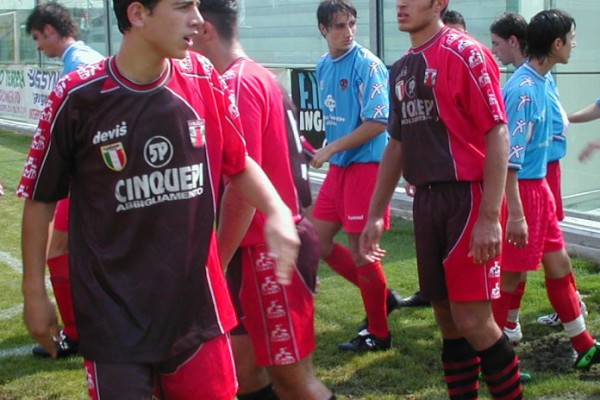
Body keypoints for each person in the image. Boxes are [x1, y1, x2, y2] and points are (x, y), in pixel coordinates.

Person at [18, 0, 301, 398]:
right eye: (183, 6)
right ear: (138, 15)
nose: (198, 19)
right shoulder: (77, 96)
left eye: (198, 6)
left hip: (197, 311)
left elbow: (239, 163)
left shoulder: (202, 76)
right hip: (113, 319)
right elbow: (40, 198)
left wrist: (277, 212)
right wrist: (35, 292)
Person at [362, 0, 524, 398]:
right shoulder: (400, 68)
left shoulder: (465, 52)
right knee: (447, 318)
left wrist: (490, 217)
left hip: (468, 198)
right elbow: (396, 146)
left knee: (473, 319)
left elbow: (498, 133)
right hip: (427, 203)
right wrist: (376, 214)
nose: (400, 4)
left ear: (439, 4)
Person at [193, 1, 334, 399]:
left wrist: (215, 264)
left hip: (264, 249)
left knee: (292, 379)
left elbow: (243, 186)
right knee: (245, 372)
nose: (183, 39)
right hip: (253, 246)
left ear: (206, 30)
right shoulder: (257, 76)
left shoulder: (238, 83)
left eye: (189, 26)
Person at [496, 8, 600, 370]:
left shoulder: (542, 81)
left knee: (560, 266)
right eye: (571, 39)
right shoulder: (522, 90)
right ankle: (494, 356)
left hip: (539, 189)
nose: (575, 44)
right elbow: (509, 159)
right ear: (556, 44)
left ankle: (584, 345)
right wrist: (516, 214)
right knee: (510, 276)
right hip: (523, 195)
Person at [310, 0, 397, 352]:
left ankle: (379, 332)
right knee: (316, 240)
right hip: (341, 166)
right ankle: (382, 297)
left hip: (368, 165)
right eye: (339, 26)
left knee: (362, 252)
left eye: (351, 24)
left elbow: (378, 121)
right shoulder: (322, 65)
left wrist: (331, 149)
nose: (347, 32)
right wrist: (330, 149)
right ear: (323, 30)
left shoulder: (368, 64)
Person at [24, 2, 104, 358]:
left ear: (51, 30)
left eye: (39, 38)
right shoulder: (83, 57)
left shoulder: (79, 62)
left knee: (58, 250)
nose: (39, 46)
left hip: (89, 176)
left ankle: (76, 334)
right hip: (94, 174)